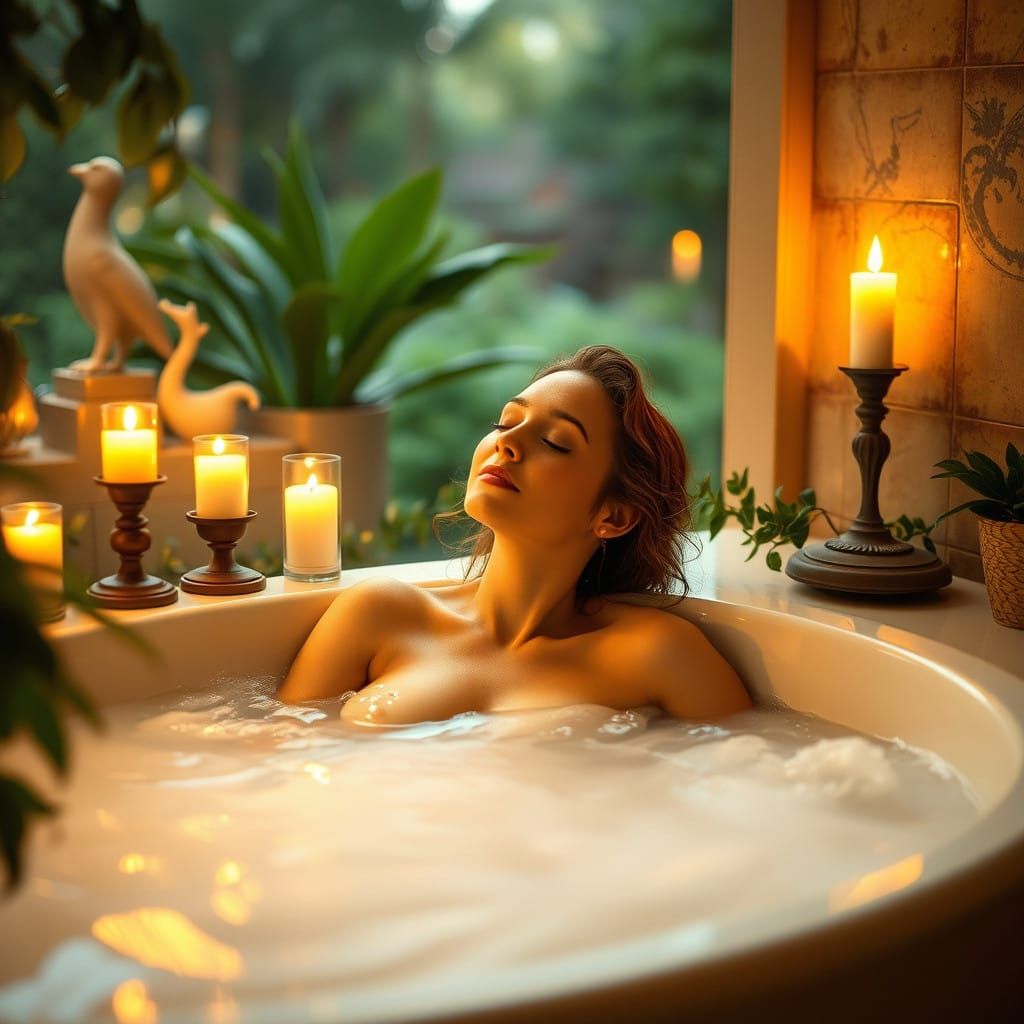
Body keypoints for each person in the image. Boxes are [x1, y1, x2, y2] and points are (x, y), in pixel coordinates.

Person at [278, 345, 751, 725]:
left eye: (554, 442)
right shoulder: (379, 612)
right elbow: (276, 757)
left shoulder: (656, 652)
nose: (507, 442)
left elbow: (756, 785)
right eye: (506, 422)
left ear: (614, 516)